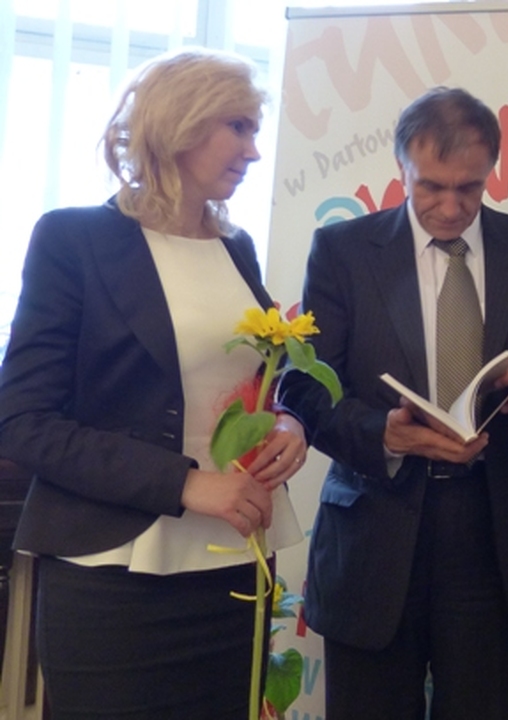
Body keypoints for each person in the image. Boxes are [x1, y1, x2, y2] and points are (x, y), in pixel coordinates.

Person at [0, 48, 309, 719]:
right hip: (113, 576)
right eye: (239, 127)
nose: (254, 151)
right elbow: (22, 420)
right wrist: (185, 483)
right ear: (181, 123)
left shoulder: (236, 249)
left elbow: (250, 377)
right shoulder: (73, 239)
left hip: (232, 567)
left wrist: (287, 419)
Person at [278, 86, 508, 720]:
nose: (451, 207)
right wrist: (383, 433)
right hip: (374, 533)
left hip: (495, 536)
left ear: (492, 170)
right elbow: (306, 387)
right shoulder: (343, 252)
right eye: (431, 187)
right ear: (401, 166)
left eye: (470, 187)